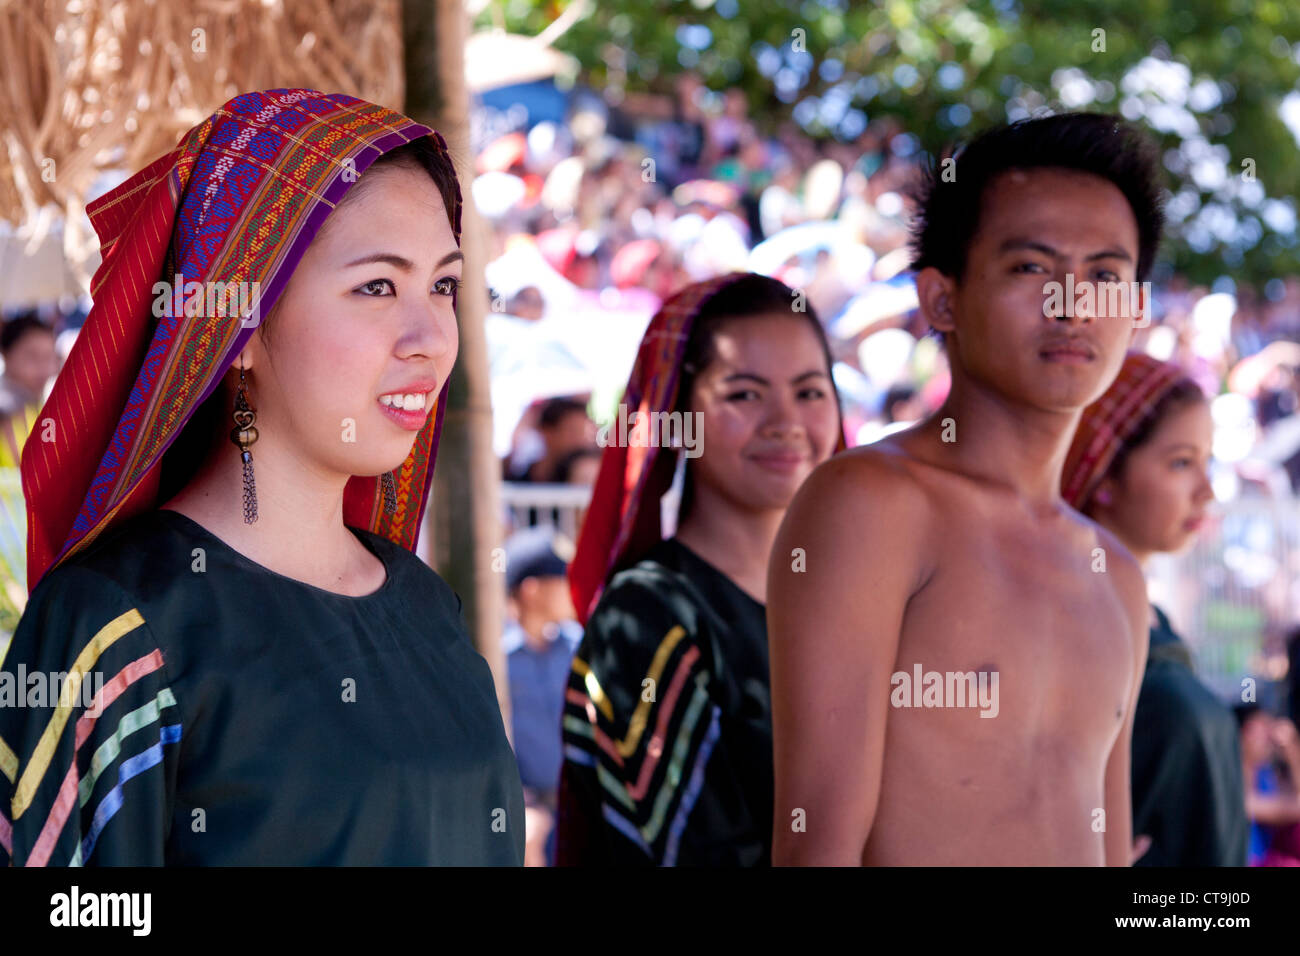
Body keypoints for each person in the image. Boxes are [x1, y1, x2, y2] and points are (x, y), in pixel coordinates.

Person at [0, 89, 524, 866]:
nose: (430, 338)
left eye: (443, 286)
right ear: (236, 324)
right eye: (377, 286)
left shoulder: (426, 609)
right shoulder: (118, 628)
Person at [768, 113, 1163, 865]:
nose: (1072, 305)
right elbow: (816, 848)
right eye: (1031, 268)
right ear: (941, 300)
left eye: (1106, 276)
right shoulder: (871, 505)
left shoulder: (1116, 576)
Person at [557, 272, 844, 866]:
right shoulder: (649, 619)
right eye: (744, 394)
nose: (785, 421)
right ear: (676, 417)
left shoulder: (859, 601)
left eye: (810, 392)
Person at [1062, 351, 1246, 866]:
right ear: (1104, 474)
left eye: (1206, 462)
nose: (1206, 490)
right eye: (1181, 463)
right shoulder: (1065, 631)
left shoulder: (1151, 620)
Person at [502, 526, 581, 866]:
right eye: (562, 578)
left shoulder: (578, 646)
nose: (572, 587)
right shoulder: (495, 658)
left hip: (579, 808)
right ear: (532, 590)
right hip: (527, 817)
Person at [1236, 705, 1300, 866]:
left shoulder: (1264, 776)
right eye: (1260, 730)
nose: (1268, 738)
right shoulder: (1231, 776)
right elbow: (1294, 807)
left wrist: (1290, 750)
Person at [0, 312, 58, 468]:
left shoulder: (45, 410)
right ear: (6, 355)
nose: (44, 369)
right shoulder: (5, 410)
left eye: (48, 357)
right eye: (32, 357)